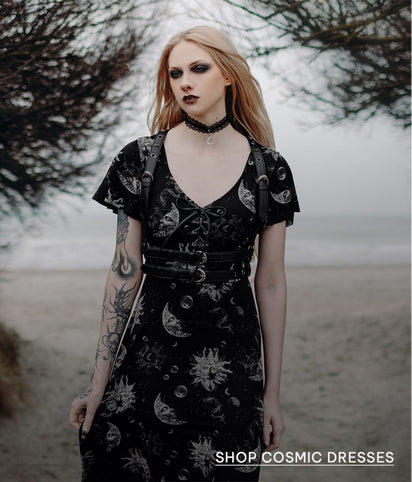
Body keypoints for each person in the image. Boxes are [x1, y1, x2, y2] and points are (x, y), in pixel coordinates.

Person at [69, 25, 300, 482]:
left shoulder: (269, 169)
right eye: (175, 74)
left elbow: (271, 281)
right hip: (147, 359)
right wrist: (98, 383)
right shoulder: (140, 160)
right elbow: (124, 273)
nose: (185, 83)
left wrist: (272, 394)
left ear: (228, 75)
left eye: (198, 69)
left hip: (231, 366)